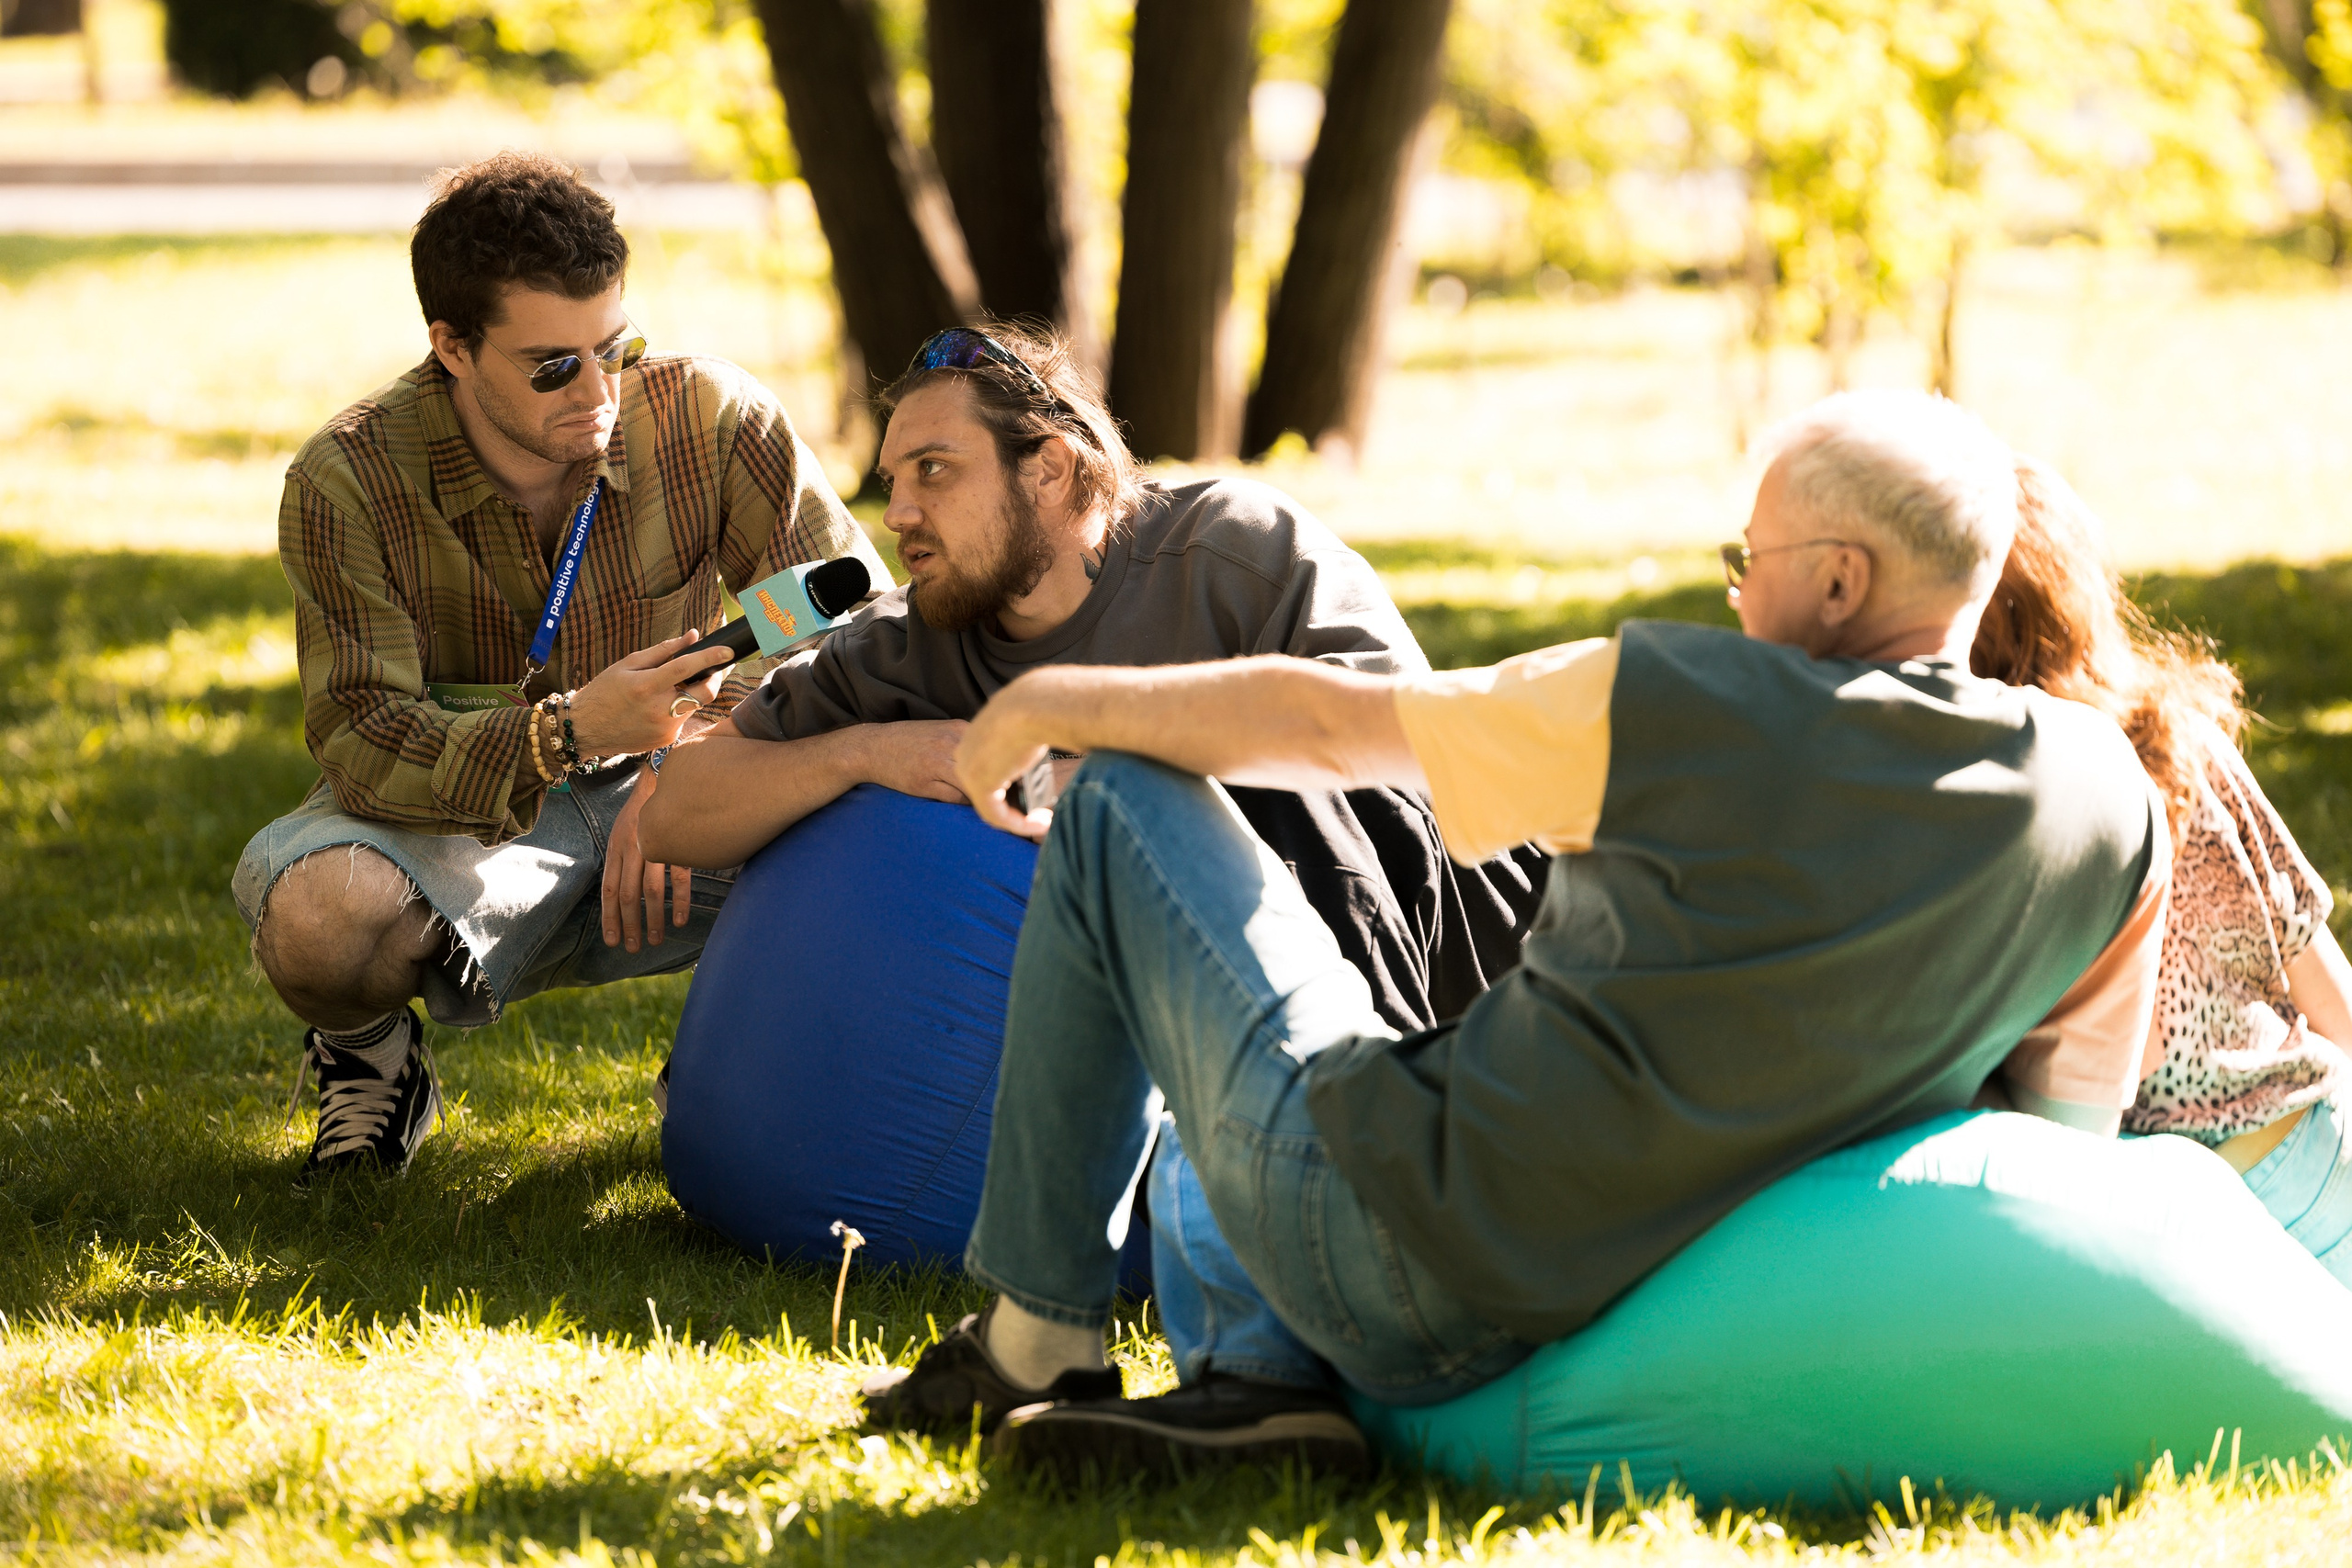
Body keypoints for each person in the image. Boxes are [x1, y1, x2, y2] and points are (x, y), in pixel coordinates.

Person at [858, 389, 2173, 1480]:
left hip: (1396, 1237)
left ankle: (1037, 1339)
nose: (1729, 598)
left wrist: (1055, 694)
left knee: (1120, 797)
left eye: (1747, 562)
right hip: (1643, 1288)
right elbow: (2051, 1145)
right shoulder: (2112, 806)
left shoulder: (1677, 701)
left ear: (1840, 577)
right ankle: (1256, 1386)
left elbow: (1331, 725)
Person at [231, 151, 884, 1183]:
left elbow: (863, 623)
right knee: (320, 919)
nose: (597, 390)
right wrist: (565, 733)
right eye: (552, 366)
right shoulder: (346, 476)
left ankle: (734, 1067)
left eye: (613, 348)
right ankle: (374, 1062)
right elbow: (361, 736)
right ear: (451, 346)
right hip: (475, 820)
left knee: (904, 805)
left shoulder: (715, 414)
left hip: (694, 771)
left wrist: (700, 763)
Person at [639, 323, 1543, 1036]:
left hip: (1468, 947)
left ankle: (1379, 1130)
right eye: (893, 481)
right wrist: (866, 753)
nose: (900, 514)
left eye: (935, 472)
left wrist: (1123, 780)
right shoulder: (903, 644)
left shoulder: (1236, 550)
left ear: (1050, 469)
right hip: (1165, 1010)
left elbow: (1401, 747)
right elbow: (682, 807)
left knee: (1292, 789)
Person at [1971, 457, 2352, 1280]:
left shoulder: (2038, 801)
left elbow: (2117, 1076)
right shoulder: (2183, 740)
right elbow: (2327, 986)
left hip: (2232, 1194)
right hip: (2322, 1131)